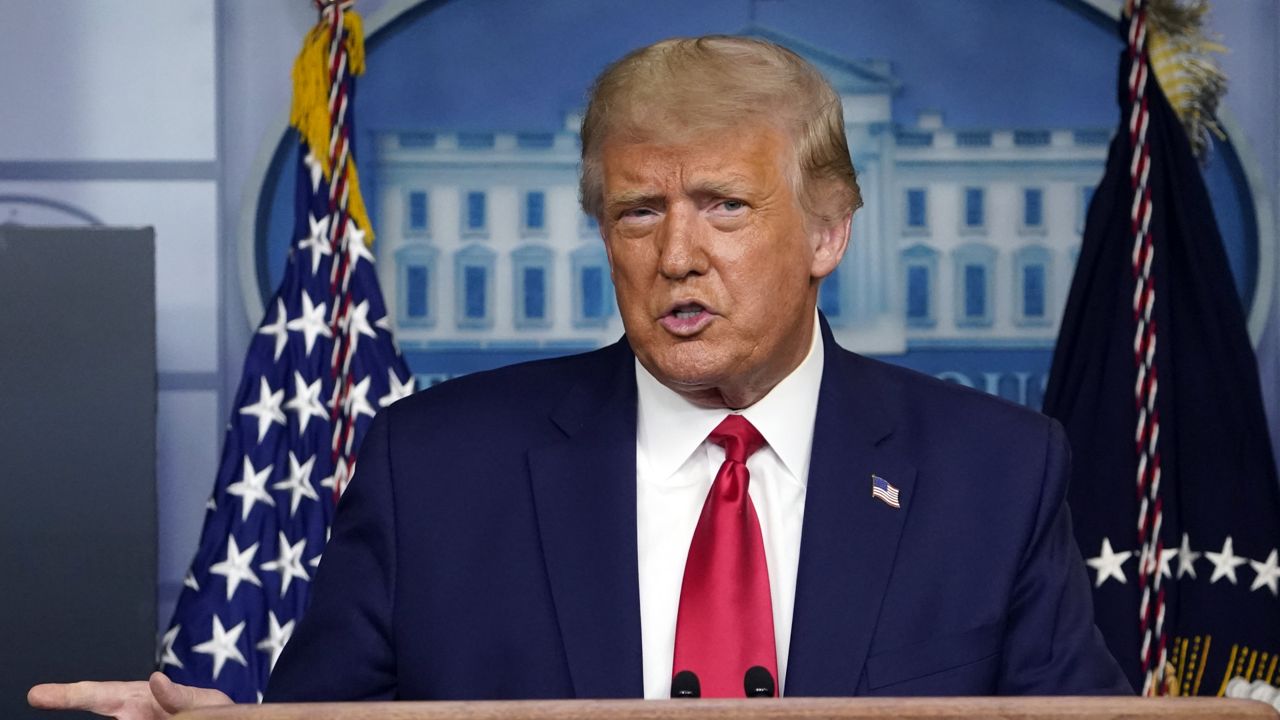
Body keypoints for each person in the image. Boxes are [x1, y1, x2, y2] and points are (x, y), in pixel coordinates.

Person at [29, 35, 1131, 718]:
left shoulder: (992, 472)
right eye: (638, 210)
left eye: (724, 206)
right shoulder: (436, 468)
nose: (676, 254)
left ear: (827, 233)